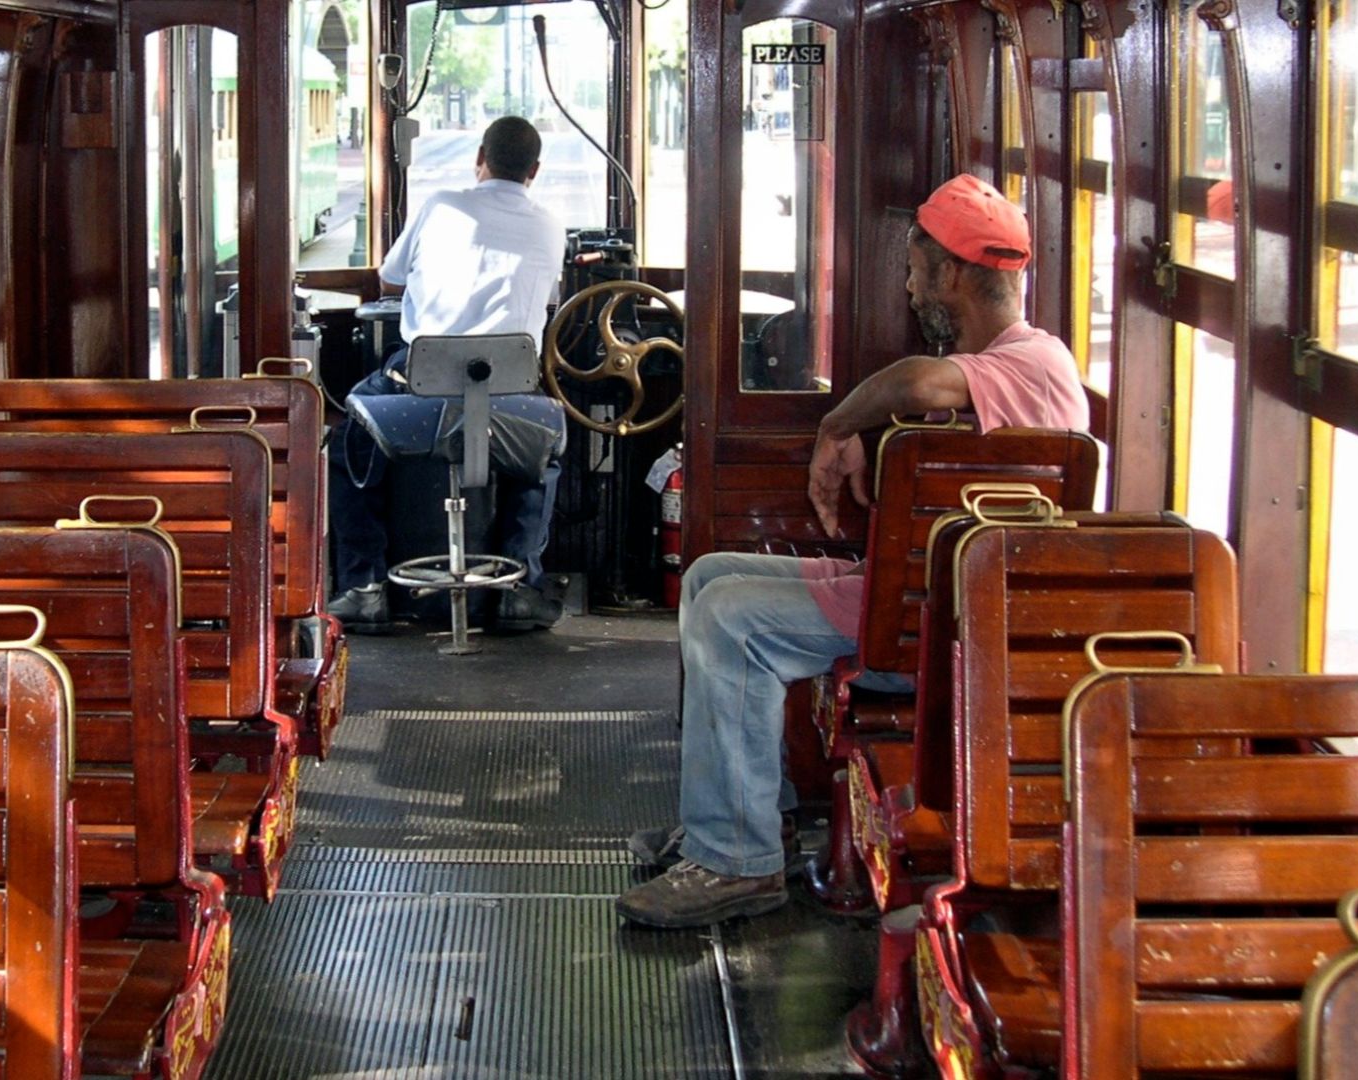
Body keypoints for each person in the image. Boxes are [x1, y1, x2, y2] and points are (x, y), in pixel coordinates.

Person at [616, 173, 1090, 928]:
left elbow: (917, 382)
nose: (907, 285)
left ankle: (737, 864)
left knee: (731, 622)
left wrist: (837, 427)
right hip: (928, 595)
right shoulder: (1018, 367)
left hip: (945, 621)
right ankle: (744, 821)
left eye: (914, 266)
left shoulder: (1030, 361)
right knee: (710, 577)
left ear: (954, 274)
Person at [327, 116, 567, 633]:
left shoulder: (441, 205)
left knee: (349, 440)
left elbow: (389, 277)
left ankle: (364, 585)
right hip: (511, 401)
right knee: (546, 455)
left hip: (420, 399)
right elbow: (548, 299)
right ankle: (520, 587)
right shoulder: (551, 226)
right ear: (535, 170)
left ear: (480, 157)